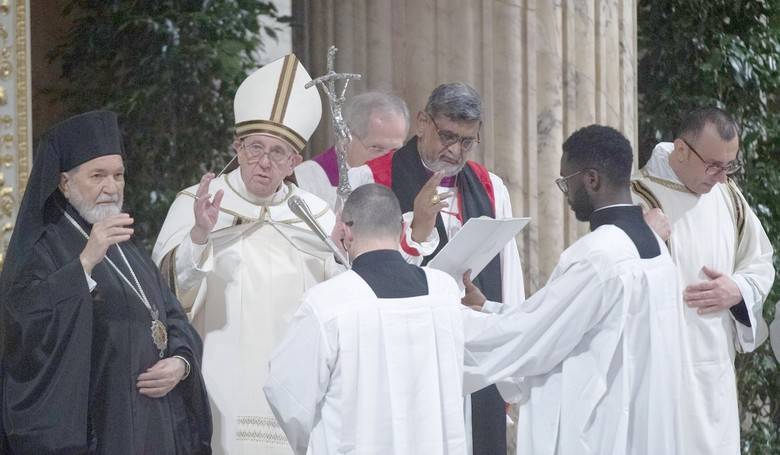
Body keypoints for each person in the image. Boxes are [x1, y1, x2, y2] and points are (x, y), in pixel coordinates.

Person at [152, 54, 345, 454]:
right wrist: (200, 236)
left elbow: (340, 304)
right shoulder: (196, 204)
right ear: (236, 147)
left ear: (295, 161)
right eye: (254, 147)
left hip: (295, 387)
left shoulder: (316, 217)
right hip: (218, 380)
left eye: (278, 153)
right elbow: (164, 300)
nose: (263, 162)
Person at [463, 124, 688, 454]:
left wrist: (446, 320)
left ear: (591, 179)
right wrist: (489, 308)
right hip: (642, 427)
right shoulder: (654, 246)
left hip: (598, 429)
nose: (565, 194)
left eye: (565, 182)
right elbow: (557, 321)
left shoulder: (598, 255)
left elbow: (534, 337)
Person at [0, 111, 211, 454]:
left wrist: (181, 363)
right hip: (98, 427)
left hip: (153, 426)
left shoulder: (128, 246)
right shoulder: (44, 247)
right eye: (97, 175)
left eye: (118, 175)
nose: (111, 188)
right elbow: (23, 326)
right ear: (64, 183)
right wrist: (84, 263)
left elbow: (171, 317)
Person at [349, 82, 524, 454]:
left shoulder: (490, 187)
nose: (455, 151)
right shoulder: (370, 180)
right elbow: (354, 273)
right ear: (422, 123)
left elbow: (509, 277)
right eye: (447, 136)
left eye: (466, 141)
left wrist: (509, 356)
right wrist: (417, 231)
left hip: (471, 355)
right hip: (408, 357)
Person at [264, 183, 471, 454]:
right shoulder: (444, 293)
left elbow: (286, 394)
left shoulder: (327, 302)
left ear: (345, 231)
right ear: (401, 229)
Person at [630, 107, 775, 453]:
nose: (722, 177)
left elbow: (761, 262)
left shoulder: (729, 198)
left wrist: (737, 290)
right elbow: (612, 279)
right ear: (681, 150)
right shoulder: (638, 198)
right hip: (660, 378)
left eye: (730, 166)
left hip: (716, 379)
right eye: (714, 165)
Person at [294, 91, 410, 209]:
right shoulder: (306, 181)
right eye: (377, 148)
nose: (387, 160)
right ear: (345, 140)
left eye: (395, 151)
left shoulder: (407, 181)